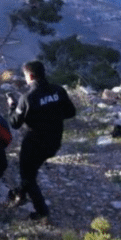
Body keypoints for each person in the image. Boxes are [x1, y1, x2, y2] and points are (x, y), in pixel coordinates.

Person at [7, 60, 76, 220]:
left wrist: (12, 107)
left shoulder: (27, 98)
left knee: (28, 176)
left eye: (25, 76)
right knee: (30, 172)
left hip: (34, 144)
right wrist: (53, 116)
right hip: (54, 142)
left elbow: (15, 123)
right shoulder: (58, 90)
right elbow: (71, 112)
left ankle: (41, 211)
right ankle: (21, 194)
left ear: (30, 76)